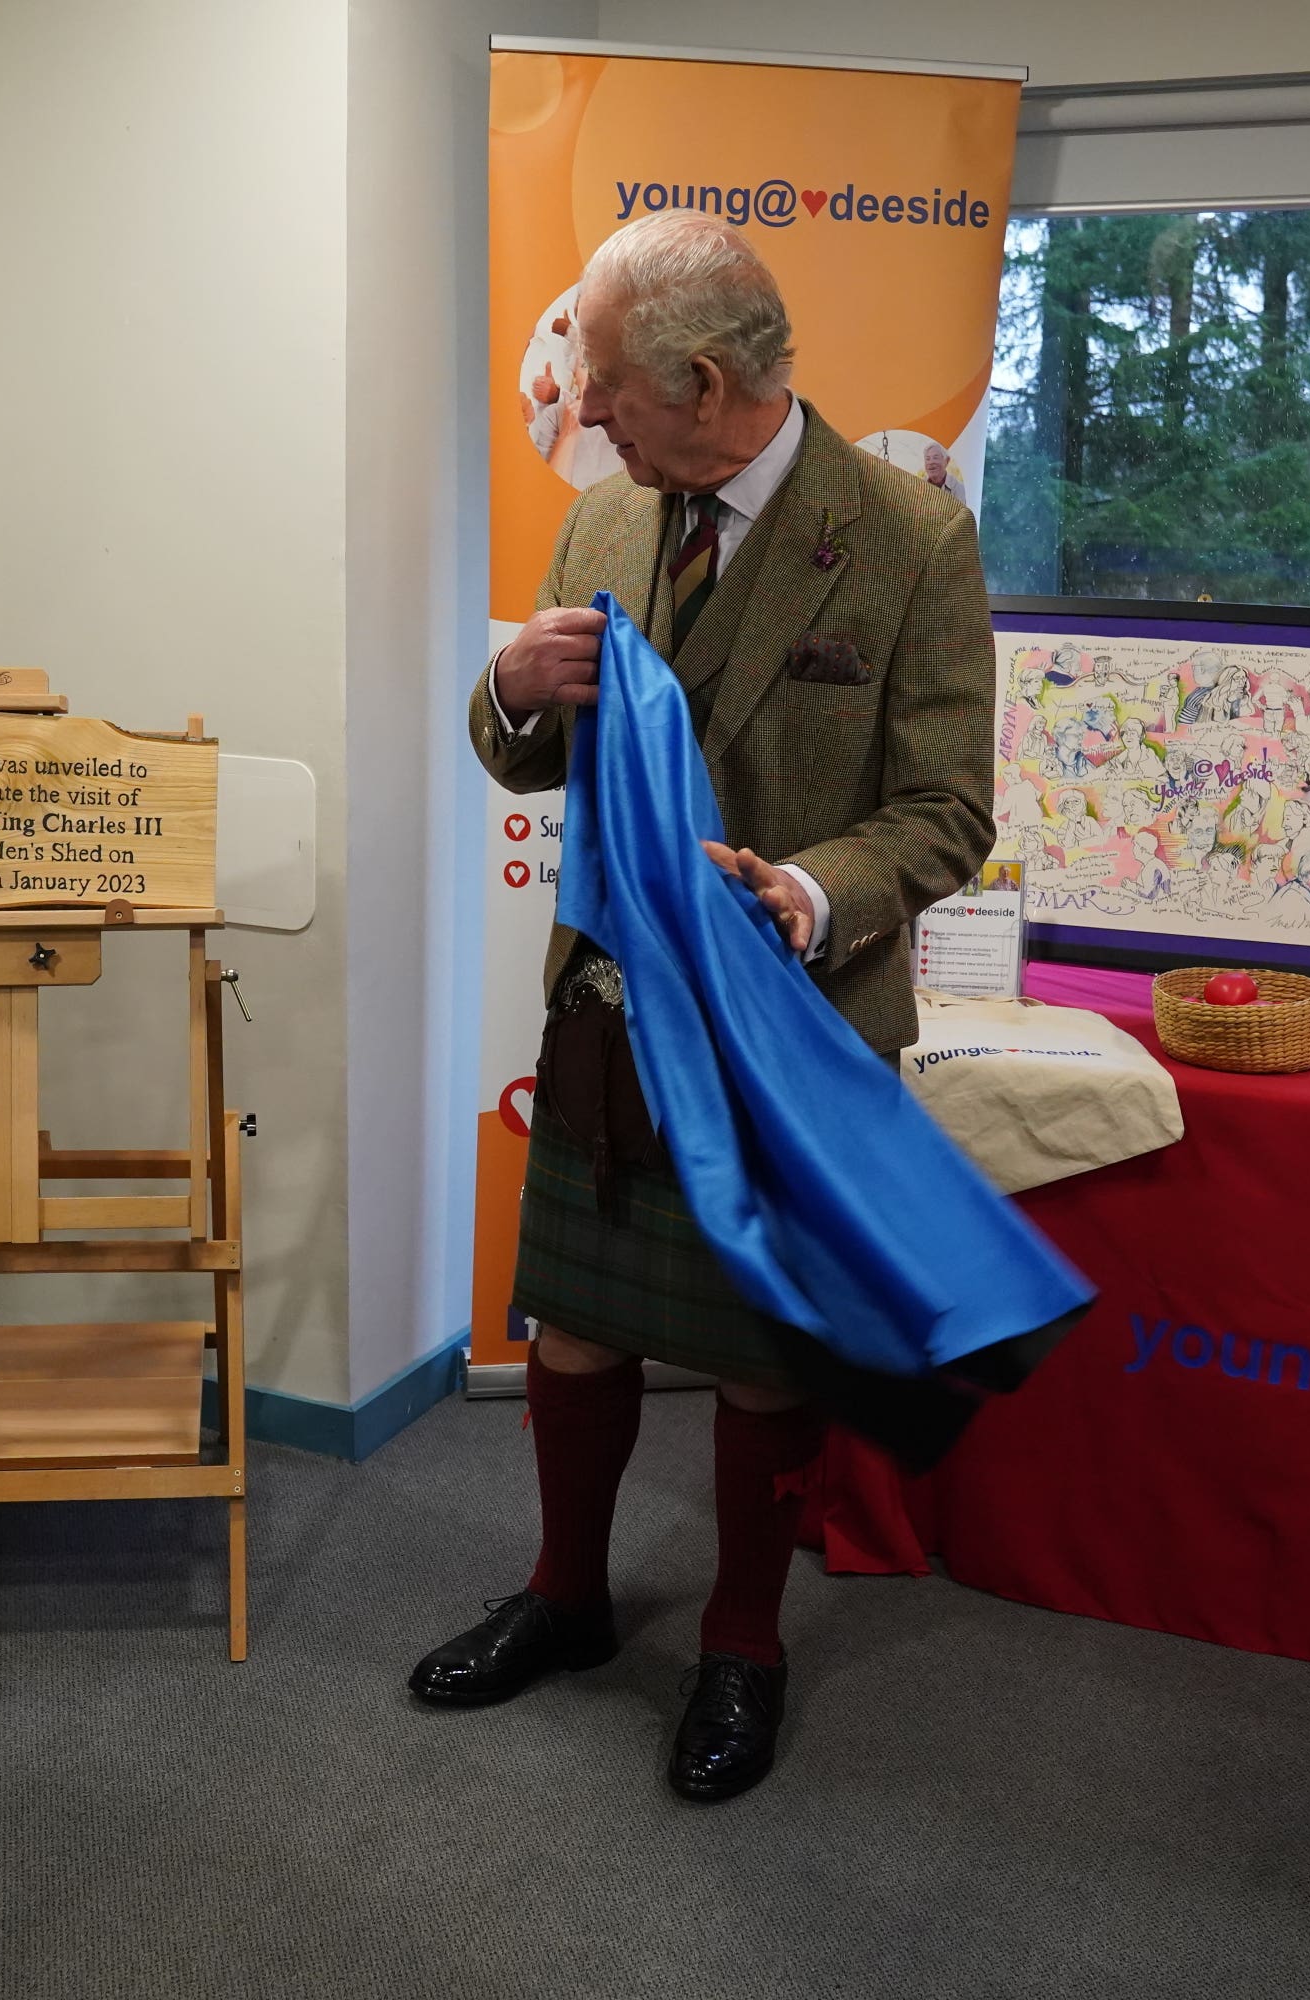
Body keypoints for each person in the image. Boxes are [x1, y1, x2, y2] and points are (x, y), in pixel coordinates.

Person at [414, 210, 994, 1802]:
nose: (581, 414)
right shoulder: (606, 528)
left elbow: (948, 812)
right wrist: (508, 694)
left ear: (702, 376)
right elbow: (531, 756)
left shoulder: (909, 539)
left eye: (603, 385)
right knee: (580, 1325)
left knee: (765, 1362)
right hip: (606, 1012)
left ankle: (745, 1643)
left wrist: (809, 896)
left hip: (787, 1032)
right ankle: (566, 1598)